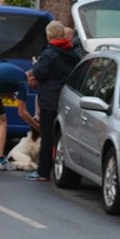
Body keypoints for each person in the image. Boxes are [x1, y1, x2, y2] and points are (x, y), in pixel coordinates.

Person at [27, 20, 81, 182]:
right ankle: (60, 166)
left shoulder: (49, 53)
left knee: (47, 135)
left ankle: (43, 171)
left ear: (49, 35)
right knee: (62, 134)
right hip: (67, 97)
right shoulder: (72, 52)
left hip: (49, 98)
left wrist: (36, 65)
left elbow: (40, 74)